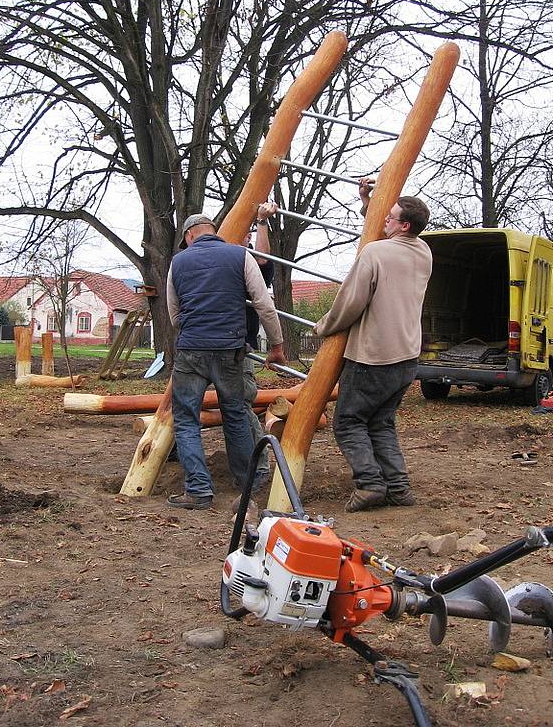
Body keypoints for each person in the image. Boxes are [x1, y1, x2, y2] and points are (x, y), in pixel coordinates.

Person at [313, 178, 432, 513]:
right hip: (407, 356)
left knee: (348, 422)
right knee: (380, 422)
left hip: (374, 356)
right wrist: (369, 204)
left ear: (404, 225)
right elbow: (387, 241)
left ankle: (370, 485)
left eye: (389, 217)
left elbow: (351, 301)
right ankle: (398, 487)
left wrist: (325, 325)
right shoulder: (423, 252)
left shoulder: (374, 253)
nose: (384, 220)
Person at [166, 213, 287, 510]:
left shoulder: (178, 262)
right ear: (212, 232)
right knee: (234, 414)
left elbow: (173, 311)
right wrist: (276, 345)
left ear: (189, 236)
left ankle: (198, 490)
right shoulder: (240, 255)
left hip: (192, 349)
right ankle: (247, 485)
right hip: (230, 348)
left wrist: (192, 329)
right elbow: (262, 302)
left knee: (186, 420)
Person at [241, 202, 276, 486]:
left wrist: (262, 222)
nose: (247, 240)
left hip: (240, 344)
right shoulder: (211, 261)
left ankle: (260, 466)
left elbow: (264, 261)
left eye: (249, 237)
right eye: (244, 235)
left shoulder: (248, 263)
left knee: (241, 405)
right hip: (204, 344)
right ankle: (174, 450)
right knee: (183, 403)